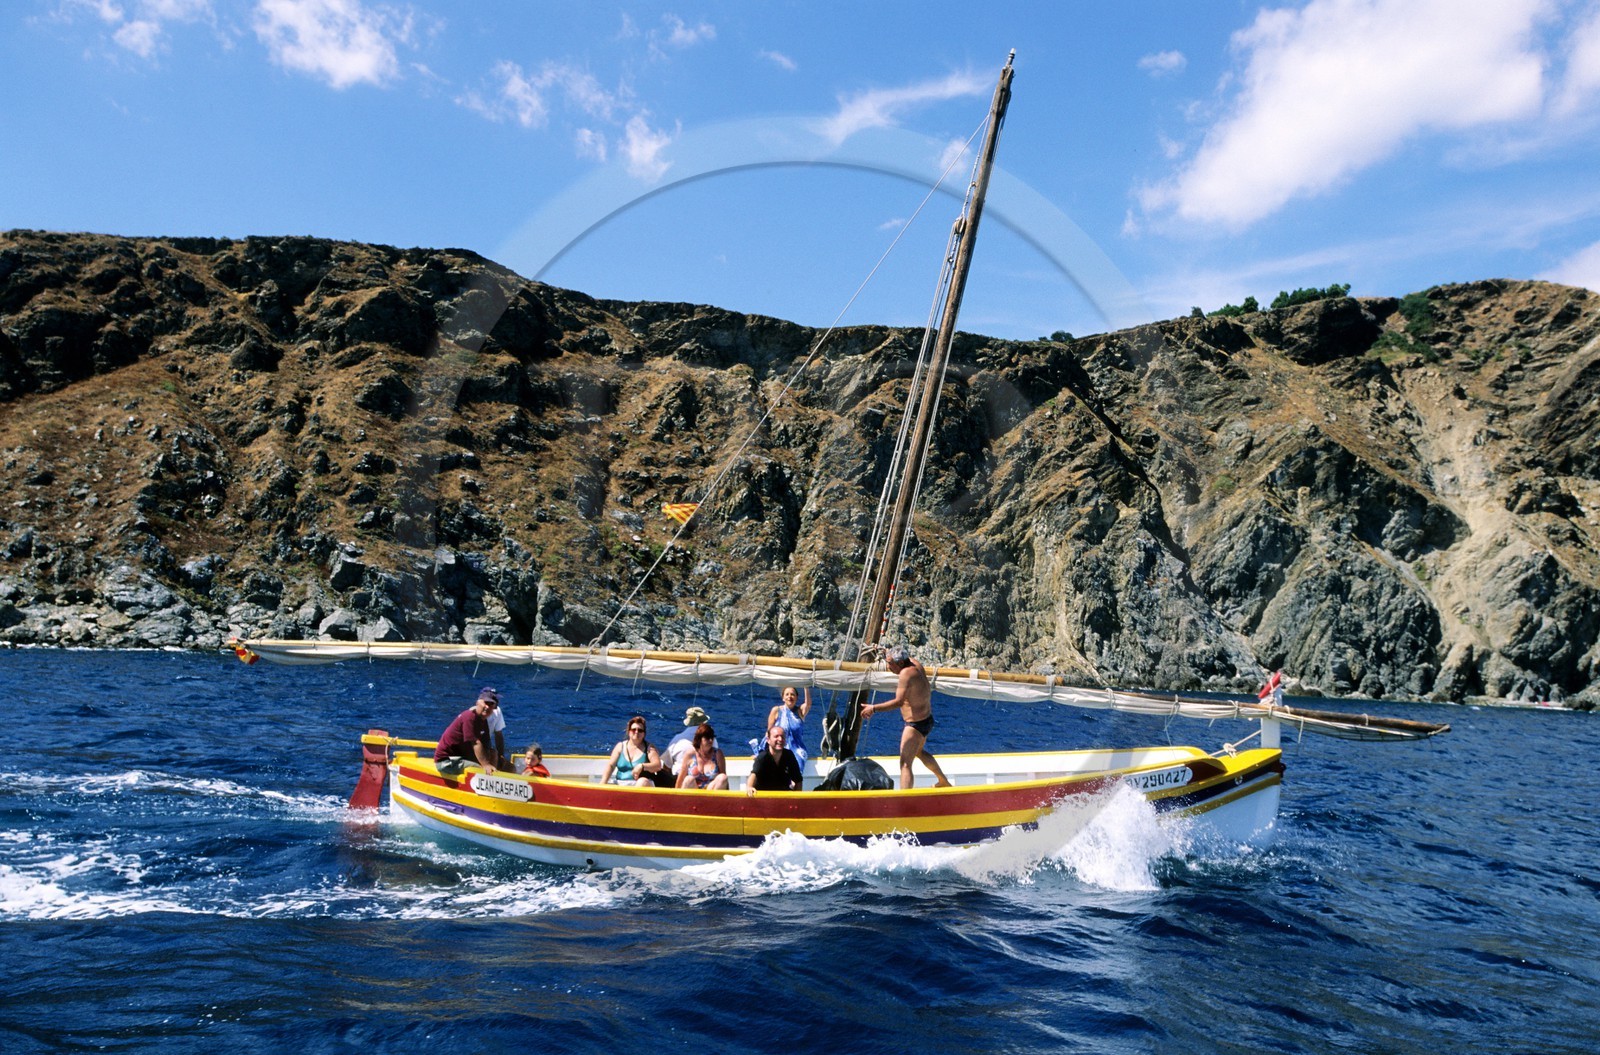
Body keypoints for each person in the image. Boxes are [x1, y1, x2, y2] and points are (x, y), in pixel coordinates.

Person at [859, 646, 952, 790]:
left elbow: (899, 702)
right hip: (926, 720)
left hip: (915, 725)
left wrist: (873, 708)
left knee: (905, 764)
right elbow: (898, 655)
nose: (888, 667)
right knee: (919, 752)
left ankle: (905, 798)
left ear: (901, 663)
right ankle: (943, 781)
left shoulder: (906, 674)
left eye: (890, 664)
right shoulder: (915, 664)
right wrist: (887, 651)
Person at [434, 687, 500, 777]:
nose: (487, 707)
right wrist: (485, 765)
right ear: (477, 702)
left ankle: (494, 781)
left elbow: (486, 745)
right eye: (486, 702)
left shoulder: (483, 721)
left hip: (462, 757)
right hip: (447, 761)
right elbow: (476, 743)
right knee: (479, 769)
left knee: (493, 753)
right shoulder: (469, 717)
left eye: (491, 704)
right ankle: (487, 782)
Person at [601, 715, 665, 786]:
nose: (636, 732)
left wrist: (642, 766)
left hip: (642, 785)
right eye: (633, 729)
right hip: (621, 783)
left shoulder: (649, 748)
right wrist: (603, 783)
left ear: (644, 734)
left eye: (640, 730)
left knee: (642, 782)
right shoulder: (620, 746)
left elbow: (657, 765)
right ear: (629, 731)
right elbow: (611, 765)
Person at [746, 723, 802, 795]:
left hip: (783, 797)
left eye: (782, 737)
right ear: (768, 740)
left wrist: (797, 798)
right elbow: (753, 775)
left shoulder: (789, 756)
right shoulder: (763, 757)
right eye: (776, 736)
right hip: (764, 798)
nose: (780, 739)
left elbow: (798, 780)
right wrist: (749, 787)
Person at [764, 685, 811, 770]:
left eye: (792, 694)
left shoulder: (800, 711)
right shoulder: (776, 710)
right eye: (787, 694)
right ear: (783, 698)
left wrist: (806, 687)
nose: (790, 696)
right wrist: (764, 751)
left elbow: (808, 704)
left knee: (796, 770)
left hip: (797, 750)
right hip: (780, 747)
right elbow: (769, 733)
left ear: (796, 697)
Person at [676, 722, 729, 790]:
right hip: (694, 792)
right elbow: (681, 778)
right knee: (688, 779)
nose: (710, 740)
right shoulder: (690, 754)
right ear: (699, 739)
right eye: (707, 738)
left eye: (712, 737)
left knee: (723, 777)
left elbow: (724, 779)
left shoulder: (717, 754)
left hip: (711, 792)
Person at [665, 705, 711, 778]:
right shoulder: (711, 739)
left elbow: (667, 765)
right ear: (703, 722)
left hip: (678, 779)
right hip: (703, 779)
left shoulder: (676, 739)